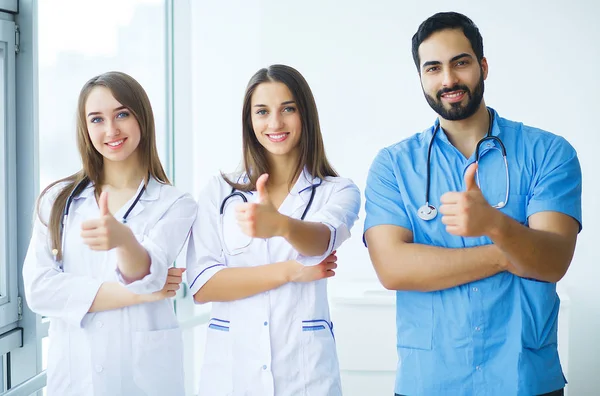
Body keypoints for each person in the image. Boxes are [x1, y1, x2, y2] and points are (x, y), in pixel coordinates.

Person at [363, 12, 582, 396]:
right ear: (421, 78)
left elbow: (553, 261)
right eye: (433, 68)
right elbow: (393, 268)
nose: (448, 80)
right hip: (429, 381)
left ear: (482, 66)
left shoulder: (548, 153)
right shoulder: (394, 165)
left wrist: (493, 224)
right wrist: (505, 254)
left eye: (460, 63)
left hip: (523, 379)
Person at [186, 64, 361, 395]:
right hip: (232, 375)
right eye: (262, 111)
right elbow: (203, 286)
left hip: (305, 376)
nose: (275, 123)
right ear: (249, 121)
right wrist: (291, 271)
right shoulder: (219, 192)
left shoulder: (338, 190)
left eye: (288, 109)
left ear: (305, 115)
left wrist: (281, 224)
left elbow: (321, 241)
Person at [23, 71, 196, 396]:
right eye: (97, 119)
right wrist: (139, 294)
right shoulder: (58, 199)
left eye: (122, 114)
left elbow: (149, 273)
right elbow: (38, 289)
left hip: (144, 378)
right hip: (76, 377)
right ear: (85, 129)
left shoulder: (176, 204)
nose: (111, 130)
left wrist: (125, 241)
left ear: (141, 117)